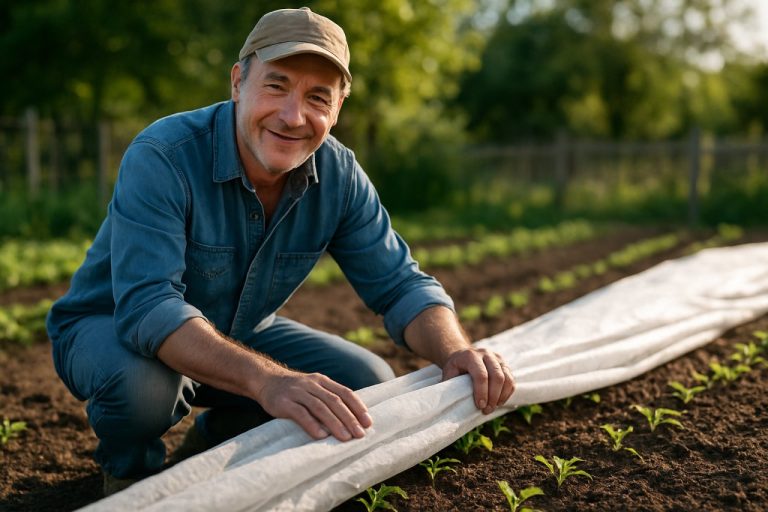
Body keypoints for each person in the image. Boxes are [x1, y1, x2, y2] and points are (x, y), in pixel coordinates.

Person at [46, 7, 515, 497]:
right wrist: (268, 381)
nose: (293, 117)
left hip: (238, 330)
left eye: (318, 98)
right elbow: (149, 308)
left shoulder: (339, 175)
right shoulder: (165, 155)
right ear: (237, 82)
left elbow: (400, 284)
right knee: (144, 389)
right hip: (112, 326)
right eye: (276, 86)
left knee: (366, 384)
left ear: (337, 109)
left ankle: (215, 442)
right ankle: (131, 479)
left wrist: (457, 352)